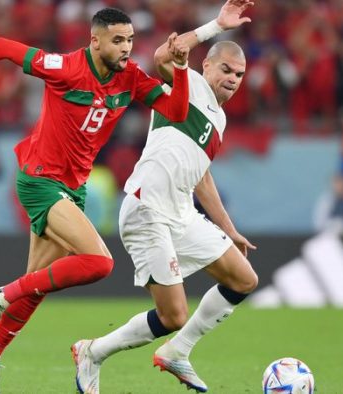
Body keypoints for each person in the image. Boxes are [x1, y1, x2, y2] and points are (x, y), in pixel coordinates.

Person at [0, 8, 191, 393]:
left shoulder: (131, 78)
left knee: (37, 285)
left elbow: (176, 111)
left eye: (129, 39)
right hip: (40, 180)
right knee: (99, 262)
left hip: (72, 188)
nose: (126, 48)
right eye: (117, 40)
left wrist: (180, 69)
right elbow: (5, 47)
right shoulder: (65, 68)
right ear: (95, 41)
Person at [71, 1, 257, 393]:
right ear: (207, 66)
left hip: (181, 214)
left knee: (243, 278)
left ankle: (178, 352)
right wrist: (215, 26)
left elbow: (201, 177)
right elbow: (163, 55)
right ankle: (93, 351)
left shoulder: (218, 120)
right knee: (173, 314)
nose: (233, 79)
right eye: (226, 69)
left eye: (239, 74)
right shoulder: (184, 85)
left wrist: (230, 229)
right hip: (147, 209)